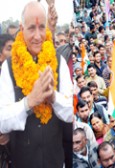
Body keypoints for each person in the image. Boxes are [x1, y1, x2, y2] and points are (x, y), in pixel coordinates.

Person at [0, 2, 73, 167]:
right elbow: (2, 120)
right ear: (22, 28)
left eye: (42, 28)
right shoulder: (9, 66)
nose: (38, 36)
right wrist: (29, 101)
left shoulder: (59, 61)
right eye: (31, 28)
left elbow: (71, 112)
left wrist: (53, 97)